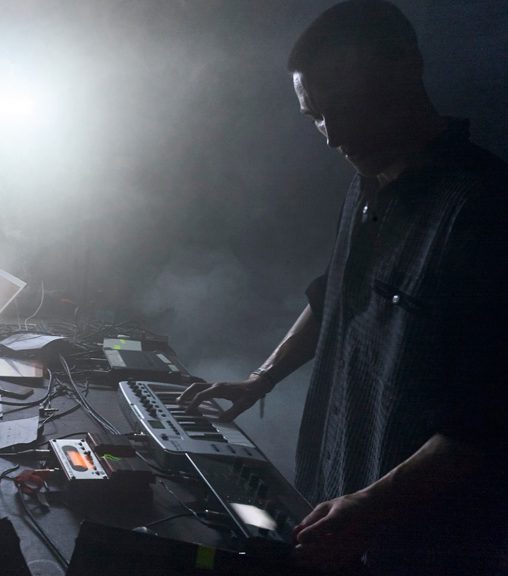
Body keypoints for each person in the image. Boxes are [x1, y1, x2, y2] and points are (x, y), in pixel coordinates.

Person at [178, 2, 507, 574]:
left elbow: (487, 422)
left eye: (345, 108)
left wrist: (373, 505)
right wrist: (261, 379)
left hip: (421, 542)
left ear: (406, 69)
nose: (332, 137)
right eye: (316, 117)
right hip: (341, 508)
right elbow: (334, 291)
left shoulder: (484, 209)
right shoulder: (365, 182)